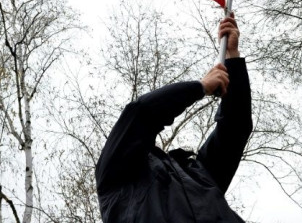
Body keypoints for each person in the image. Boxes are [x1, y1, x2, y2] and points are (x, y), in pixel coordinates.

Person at [95, 16, 252, 223]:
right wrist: (200, 87)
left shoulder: (200, 174)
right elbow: (141, 113)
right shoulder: (115, 176)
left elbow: (235, 127)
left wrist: (232, 57)